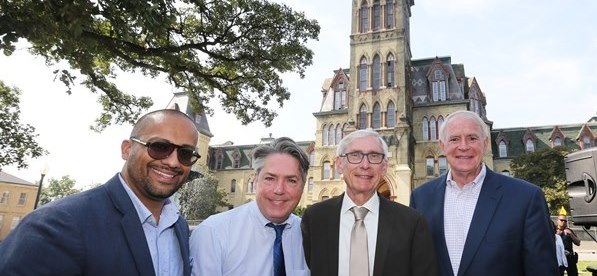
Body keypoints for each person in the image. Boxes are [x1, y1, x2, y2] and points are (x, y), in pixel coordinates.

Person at [0, 109, 199, 275]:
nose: (173, 162)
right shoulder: (57, 223)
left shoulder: (179, 227)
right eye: (160, 147)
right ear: (127, 149)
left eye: (185, 153)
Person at [410, 110, 559, 276]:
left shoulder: (526, 198)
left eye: (472, 138)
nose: (464, 146)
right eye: (454, 139)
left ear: (485, 143)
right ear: (442, 146)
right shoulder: (420, 198)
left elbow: (542, 269)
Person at [301, 129, 438, 276]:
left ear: (384, 167)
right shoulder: (315, 219)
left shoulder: (412, 223)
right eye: (355, 155)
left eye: (374, 156)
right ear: (340, 164)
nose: (365, 165)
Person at [189, 137, 310, 276]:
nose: (279, 190)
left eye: (291, 180)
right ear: (255, 180)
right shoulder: (213, 233)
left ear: (303, 186)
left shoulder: (310, 237)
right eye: (270, 178)